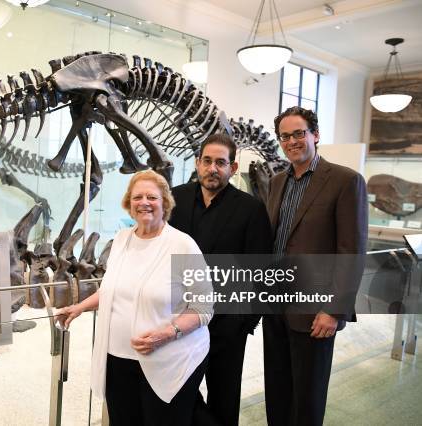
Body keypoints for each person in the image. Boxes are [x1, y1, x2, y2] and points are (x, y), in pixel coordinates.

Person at [57, 170, 213, 426]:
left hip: (168, 359)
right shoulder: (121, 239)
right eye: (137, 197)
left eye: (152, 197)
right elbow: (111, 289)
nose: (144, 202)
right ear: (129, 203)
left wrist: (166, 333)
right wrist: (78, 307)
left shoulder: (182, 245)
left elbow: (204, 307)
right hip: (118, 357)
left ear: (165, 202)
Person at [264, 106, 368, 426]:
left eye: (299, 133)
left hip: (315, 311)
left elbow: (351, 250)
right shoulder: (277, 181)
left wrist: (334, 309)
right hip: (275, 305)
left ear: (315, 135)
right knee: (277, 391)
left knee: (307, 399)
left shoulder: (345, 181)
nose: (292, 141)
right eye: (285, 136)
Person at [169, 133, 273, 426]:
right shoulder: (175, 198)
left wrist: (244, 323)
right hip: (178, 320)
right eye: (207, 161)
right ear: (198, 163)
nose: (212, 168)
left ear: (233, 168)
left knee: (224, 397)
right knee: (177, 393)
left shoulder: (251, 209)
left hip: (226, 324)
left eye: (221, 163)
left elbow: (261, 269)